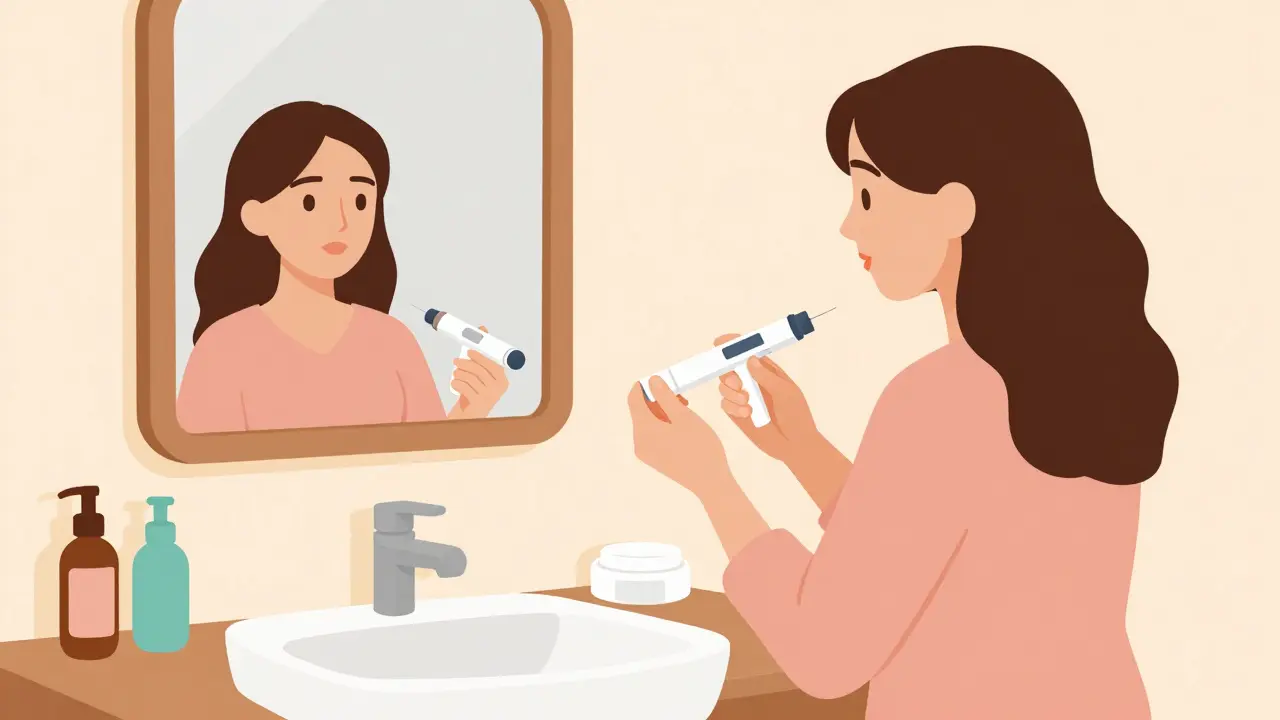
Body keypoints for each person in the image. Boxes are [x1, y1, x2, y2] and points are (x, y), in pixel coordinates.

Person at [627, 46, 1178, 719]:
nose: (848, 224)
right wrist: (798, 446)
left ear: (954, 207)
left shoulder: (942, 396)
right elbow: (943, 555)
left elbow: (824, 652)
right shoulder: (1090, 369)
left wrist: (709, 478)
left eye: (867, 192)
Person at [177, 101, 508, 433]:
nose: (342, 222)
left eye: (360, 200)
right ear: (256, 216)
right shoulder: (223, 350)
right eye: (311, 201)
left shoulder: (393, 342)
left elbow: (425, 465)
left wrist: (471, 410)